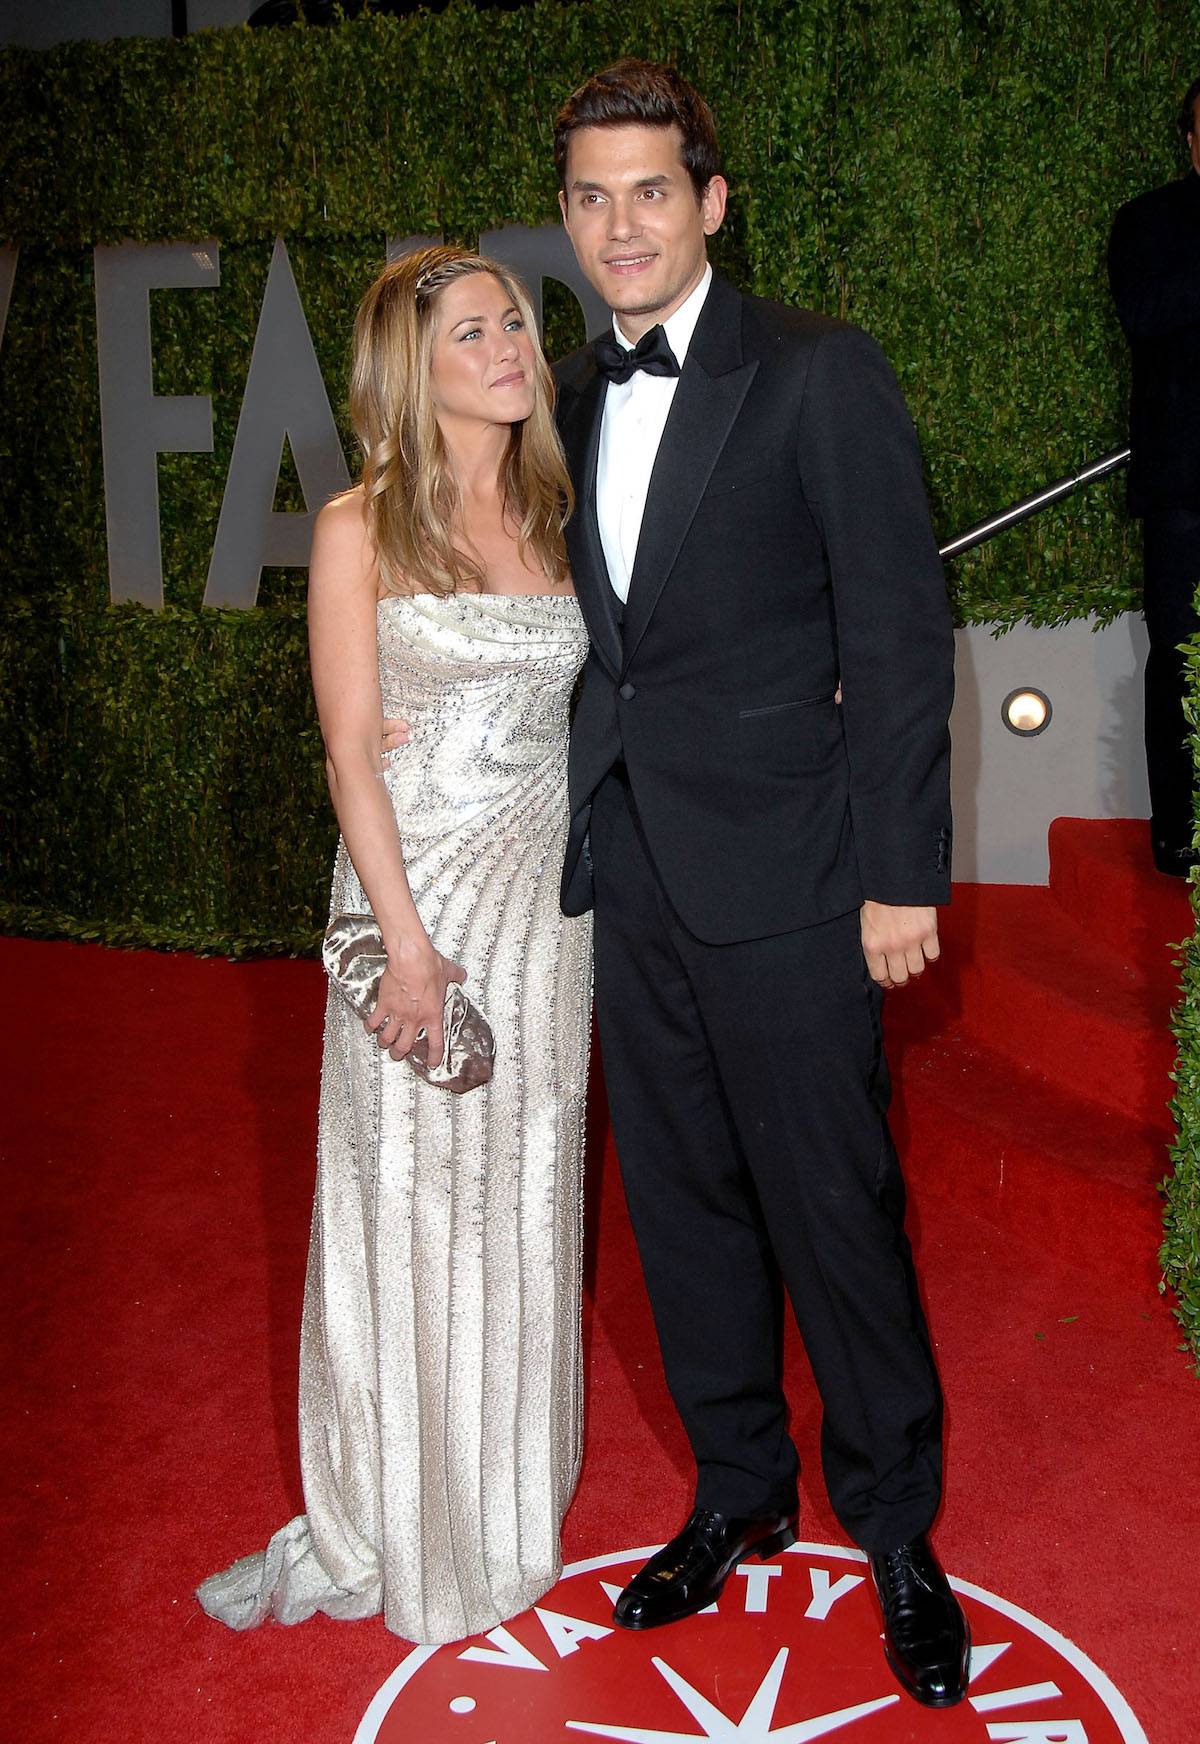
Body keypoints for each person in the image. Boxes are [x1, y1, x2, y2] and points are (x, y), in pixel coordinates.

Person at [550, 60, 968, 1708]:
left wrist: (899, 872)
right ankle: (737, 1488)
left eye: (651, 189)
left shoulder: (817, 372)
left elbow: (901, 636)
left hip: (800, 874)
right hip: (633, 864)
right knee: (683, 1204)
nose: (621, 223)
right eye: (592, 196)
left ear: (712, 201)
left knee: (834, 1207)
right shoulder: (571, 392)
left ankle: (900, 1526)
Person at [196, 247, 592, 1646]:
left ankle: (504, 1499)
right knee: (414, 1202)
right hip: (417, 908)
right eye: (472, 329)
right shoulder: (364, 528)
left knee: (532, 1193)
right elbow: (353, 756)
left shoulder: (559, 511)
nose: (507, 345)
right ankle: (400, 1510)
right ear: (409, 371)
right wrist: (407, 950)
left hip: (552, 918)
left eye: (515, 322)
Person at [1108, 75, 1200, 877]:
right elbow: (1146, 316)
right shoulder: (1150, 221)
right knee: (1179, 656)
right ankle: (1180, 831)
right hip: (1186, 487)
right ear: (1192, 140)